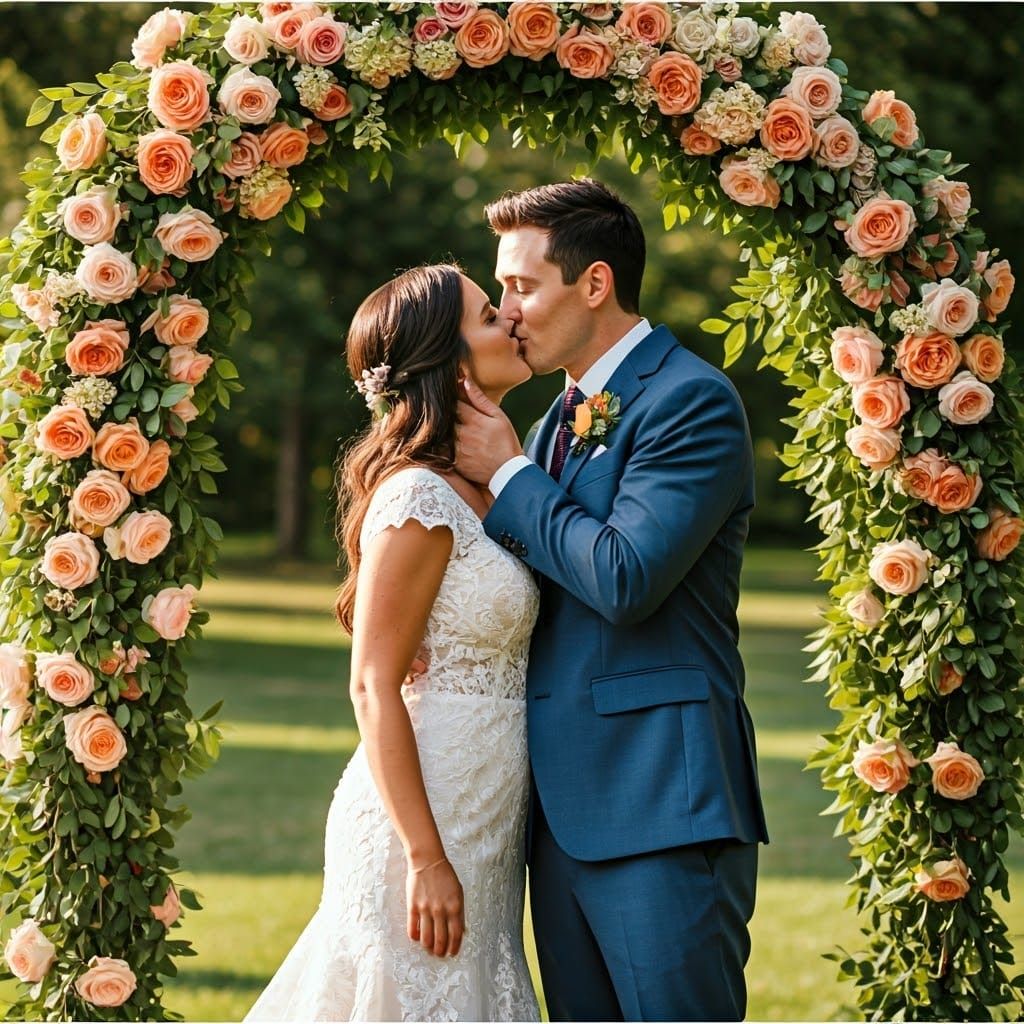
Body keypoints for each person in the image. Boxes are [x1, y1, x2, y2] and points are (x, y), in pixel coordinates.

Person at [455, 179, 770, 1022]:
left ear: (594, 283)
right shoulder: (550, 421)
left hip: (659, 802)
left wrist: (510, 476)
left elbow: (626, 575)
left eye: (521, 286)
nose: (509, 310)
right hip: (555, 818)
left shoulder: (690, 401)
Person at [244, 264, 540, 1022]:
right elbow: (373, 683)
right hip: (423, 824)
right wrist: (425, 856)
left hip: (488, 819)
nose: (510, 317)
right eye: (486, 314)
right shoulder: (417, 497)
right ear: (450, 360)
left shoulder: (501, 479)